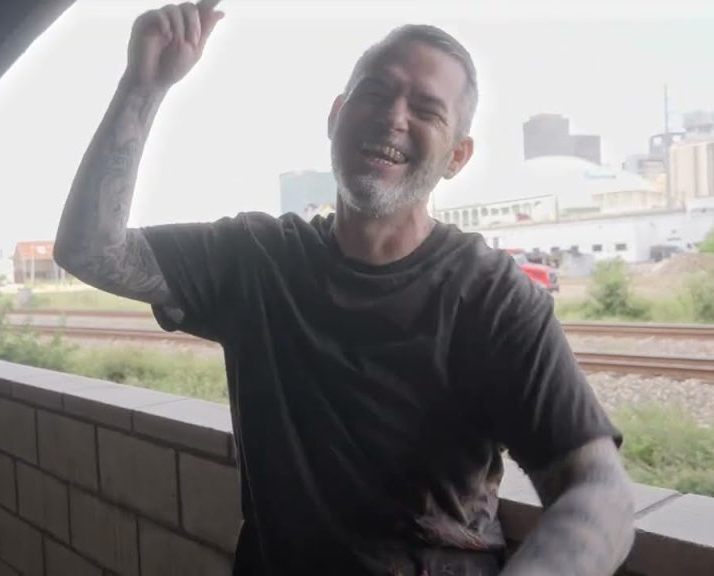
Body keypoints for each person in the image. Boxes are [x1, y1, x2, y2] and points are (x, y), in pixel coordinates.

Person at [54, 2, 635, 575]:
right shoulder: (258, 260)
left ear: (457, 157)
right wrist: (143, 85)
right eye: (375, 92)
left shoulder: (491, 297)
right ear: (336, 117)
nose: (393, 117)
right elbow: (92, 251)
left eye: (427, 109)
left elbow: (598, 490)